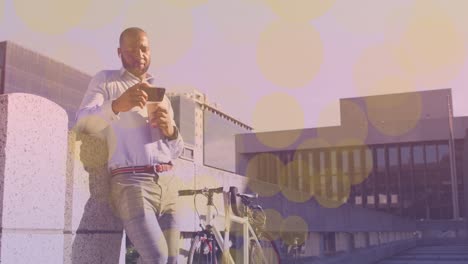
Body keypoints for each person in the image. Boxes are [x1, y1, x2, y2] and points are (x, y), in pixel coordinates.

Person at [75, 27, 184, 264]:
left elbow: (176, 151)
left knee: (173, 260)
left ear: (150, 50)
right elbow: (82, 121)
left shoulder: (162, 95)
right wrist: (116, 106)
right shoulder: (106, 80)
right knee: (157, 257)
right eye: (131, 50)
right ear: (119, 52)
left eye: (144, 48)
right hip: (130, 183)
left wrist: (171, 131)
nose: (139, 54)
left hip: (168, 182)